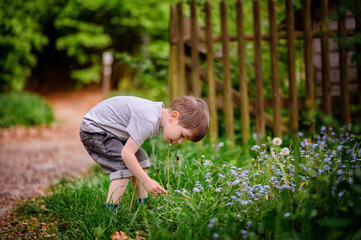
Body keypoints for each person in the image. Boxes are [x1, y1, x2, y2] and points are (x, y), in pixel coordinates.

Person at [79, 95, 209, 209]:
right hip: (95, 130)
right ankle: (111, 212)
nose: (180, 142)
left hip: (111, 132)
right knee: (122, 166)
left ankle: (143, 205)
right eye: (182, 135)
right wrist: (146, 180)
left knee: (141, 158)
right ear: (173, 117)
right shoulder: (149, 120)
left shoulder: (156, 115)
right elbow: (126, 154)